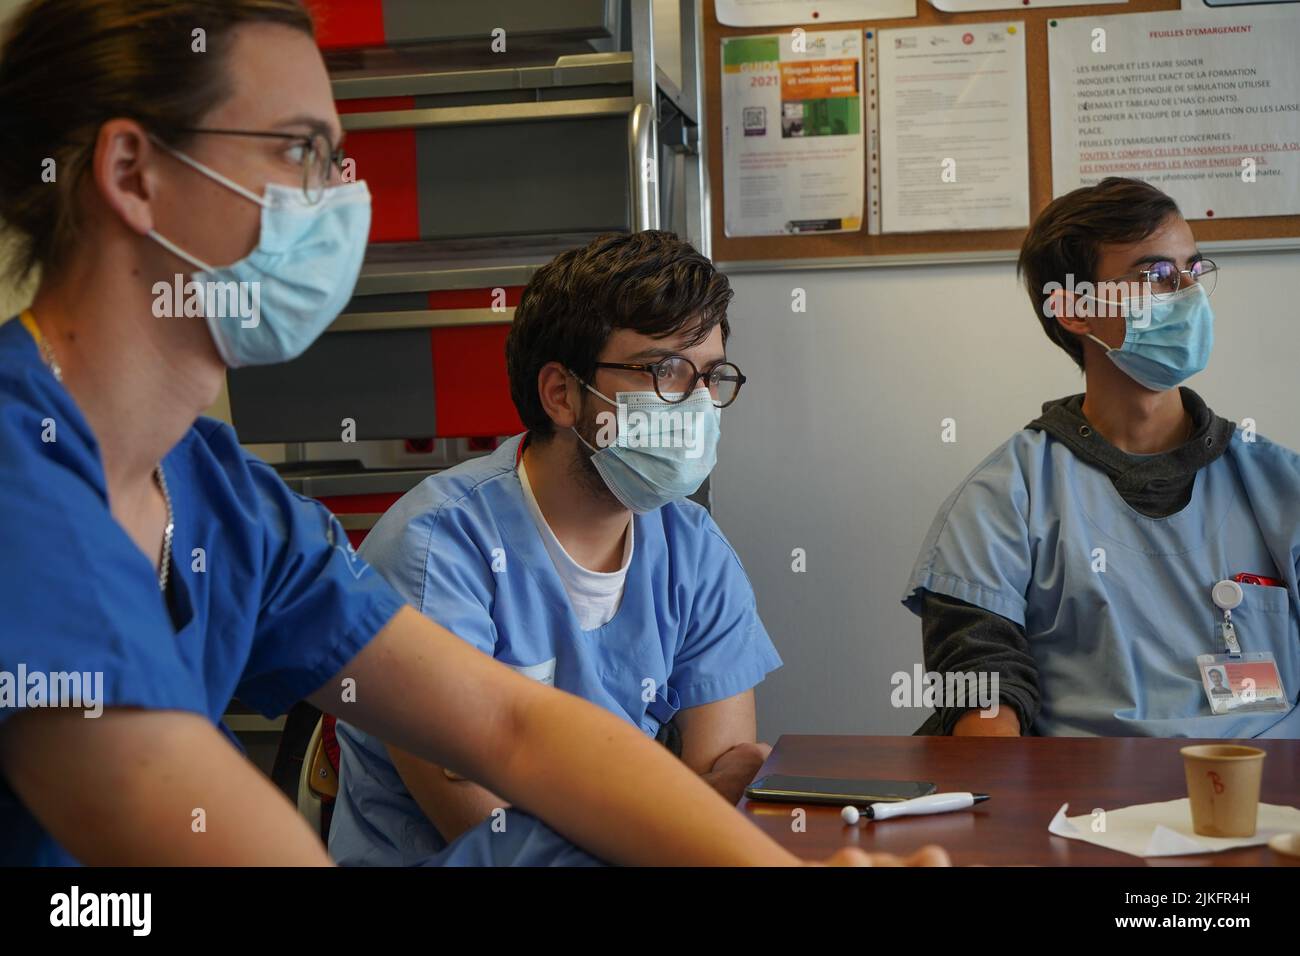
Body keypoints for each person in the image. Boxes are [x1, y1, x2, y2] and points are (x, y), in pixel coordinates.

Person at [0, 0, 949, 867]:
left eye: (339, 160)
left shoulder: (226, 502)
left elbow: (511, 728)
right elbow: (153, 795)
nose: (338, 198)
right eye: (299, 151)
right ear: (134, 174)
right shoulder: (17, 475)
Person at [329, 231, 781, 865]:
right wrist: (677, 817)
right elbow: (489, 834)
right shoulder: (436, 551)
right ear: (562, 394)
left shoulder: (693, 550)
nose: (698, 405)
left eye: (709, 377)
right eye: (664, 371)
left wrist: (701, 811)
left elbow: (725, 782)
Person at [902, 177, 1299, 739]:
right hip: (1087, 810)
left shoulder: (1280, 485)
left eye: (1194, 269)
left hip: (1268, 801)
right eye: (1156, 274)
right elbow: (981, 691)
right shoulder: (1004, 499)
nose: (1187, 292)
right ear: (1073, 310)